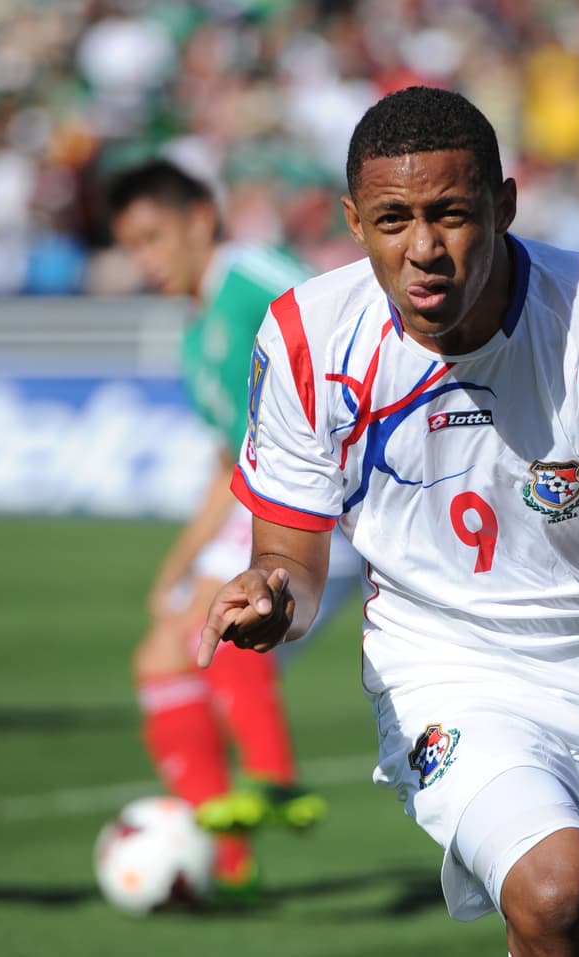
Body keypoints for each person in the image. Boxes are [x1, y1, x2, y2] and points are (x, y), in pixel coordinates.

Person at [197, 86, 579, 954]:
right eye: (392, 221)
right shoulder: (306, 340)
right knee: (555, 888)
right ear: (354, 221)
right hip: (446, 668)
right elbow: (292, 561)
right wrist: (274, 594)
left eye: (452, 214)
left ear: (504, 204)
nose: (423, 249)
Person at [106, 158, 357, 900]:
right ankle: (226, 851)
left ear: (200, 221)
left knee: (212, 622)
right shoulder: (194, 339)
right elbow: (228, 457)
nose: (146, 259)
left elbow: (337, 308)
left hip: (323, 491)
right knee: (160, 655)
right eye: (132, 246)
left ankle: (275, 780)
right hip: (260, 498)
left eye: (155, 237)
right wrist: (173, 567)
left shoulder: (247, 273)